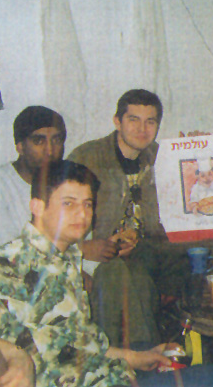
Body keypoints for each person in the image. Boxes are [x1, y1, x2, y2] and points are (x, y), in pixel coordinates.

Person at [0, 160, 213, 387]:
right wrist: (14, 354)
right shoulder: (13, 260)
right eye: (69, 204)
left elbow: (77, 342)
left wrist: (137, 357)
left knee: (205, 367)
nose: (83, 214)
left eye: (87, 204)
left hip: (107, 372)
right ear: (37, 206)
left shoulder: (66, 256)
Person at [68, 89, 189, 346]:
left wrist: (195, 153)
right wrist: (84, 247)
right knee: (129, 276)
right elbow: (61, 219)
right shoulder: (86, 158)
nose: (142, 129)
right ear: (117, 121)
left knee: (207, 258)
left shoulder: (163, 158)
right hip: (106, 255)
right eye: (134, 120)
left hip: (156, 250)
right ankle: (143, 355)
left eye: (150, 121)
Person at [0, 106, 67, 248]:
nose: (50, 151)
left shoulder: (68, 184)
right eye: (39, 141)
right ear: (20, 147)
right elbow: (7, 253)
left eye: (56, 140)